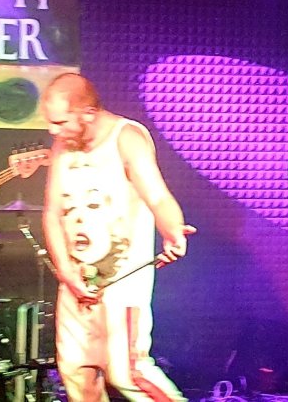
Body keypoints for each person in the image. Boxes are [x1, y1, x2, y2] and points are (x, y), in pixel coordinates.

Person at [41, 73, 194, 402]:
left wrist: (173, 230)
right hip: (76, 283)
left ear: (88, 113)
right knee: (77, 372)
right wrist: (66, 272)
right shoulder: (63, 145)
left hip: (123, 282)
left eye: (60, 122)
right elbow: (52, 212)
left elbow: (157, 197)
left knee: (129, 373)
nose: (53, 130)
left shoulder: (127, 138)